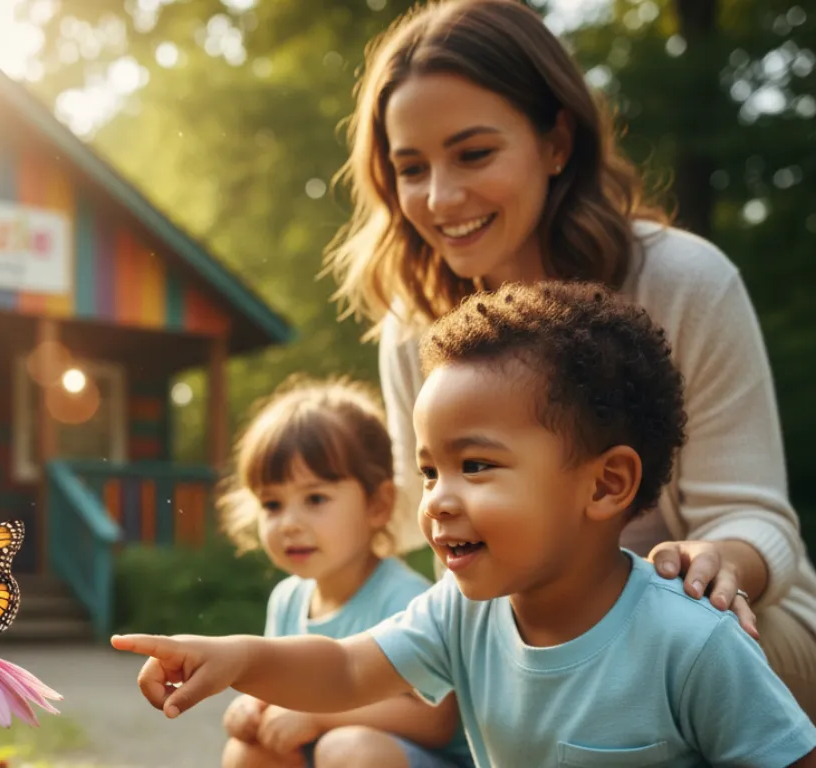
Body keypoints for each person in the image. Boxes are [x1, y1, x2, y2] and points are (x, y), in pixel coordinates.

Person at [322, 0, 816, 714]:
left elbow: (756, 521)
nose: (440, 196)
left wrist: (713, 568)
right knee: (316, 736)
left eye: (473, 153)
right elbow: (443, 538)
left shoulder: (684, 282)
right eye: (410, 168)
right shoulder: (414, 331)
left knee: (646, 644)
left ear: (555, 142)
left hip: (732, 625)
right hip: (531, 642)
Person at [114, 283, 816, 768]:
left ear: (605, 484)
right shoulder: (460, 614)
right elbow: (344, 667)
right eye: (428, 471)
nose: (439, 501)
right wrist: (239, 657)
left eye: (475, 466)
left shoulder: (690, 639)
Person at [215, 376, 471, 767]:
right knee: (248, 752)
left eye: (315, 498)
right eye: (271, 504)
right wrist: (253, 706)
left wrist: (320, 717)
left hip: (406, 758)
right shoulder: (288, 600)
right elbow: (277, 686)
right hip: (331, 752)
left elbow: (436, 721)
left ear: (378, 505)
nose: (288, 524)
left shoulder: (402, 598)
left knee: (348, 749)